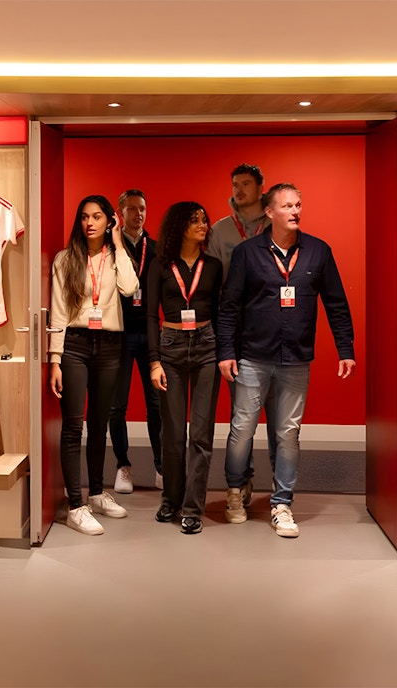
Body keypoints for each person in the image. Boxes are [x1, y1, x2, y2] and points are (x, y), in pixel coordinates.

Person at [216, 182, 356, 538]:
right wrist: (226, 352)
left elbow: (336, 304)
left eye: (299, 205)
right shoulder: (248, 253)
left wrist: (346, 349)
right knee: (242, 430)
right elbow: (229, 306)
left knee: (288, 433)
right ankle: (236, 490)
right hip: (252, 357)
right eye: (288, 206)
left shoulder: (318, 252)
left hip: (295, 360)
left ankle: (281, 502)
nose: (295, 211)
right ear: (270, 212)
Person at [49, 194, 140, 536]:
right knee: (74, 426)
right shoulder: (65, 259)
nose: (90, 223)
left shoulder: (116, 256)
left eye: (98, 217)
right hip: (74, 343)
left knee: (100, 422)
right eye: (85, 217)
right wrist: (55, 359)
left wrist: (118, 243)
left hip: (110, 345)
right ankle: (75, 505)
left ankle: (98, 492)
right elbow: (58, 311)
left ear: (109, 221)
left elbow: (131, 288)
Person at [146, 202, 224, 535]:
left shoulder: (214, 266)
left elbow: (222, 312)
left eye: (204, 220)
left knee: (202, 436)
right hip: (171, 347)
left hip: (207, 346)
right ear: (179, 226)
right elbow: (150, 315)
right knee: (173, 434)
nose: (203, 225)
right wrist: (154, 361)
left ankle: (193, 508)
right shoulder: (159, 266)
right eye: (195, 221)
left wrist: (224, 352)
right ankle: (171, 500)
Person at [206, 163, 274, 508]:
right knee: (242, 414)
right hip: (235, 333)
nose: (239, 190)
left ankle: (279, 491)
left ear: (261, 188)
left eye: (246, 184)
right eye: (235, 184)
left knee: (278, 417)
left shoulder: (275, 226)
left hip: (273, 331)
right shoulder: (220, 231)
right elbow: (214, 285)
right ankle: (242, 481)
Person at [108, 189, 163, 493]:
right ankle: (122, 465)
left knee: (156, 404)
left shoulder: (155, 249)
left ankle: (160, 466)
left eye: (141, 208)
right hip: (119, 333)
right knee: (117, 407)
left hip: (150, 333)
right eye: (130, 209)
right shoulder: (110, 248)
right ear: (120, 213)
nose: (137, 214)